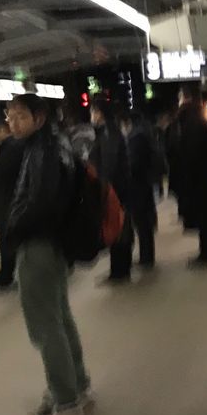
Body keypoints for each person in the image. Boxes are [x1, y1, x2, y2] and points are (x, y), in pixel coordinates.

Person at [5, 94, 91, 415]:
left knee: (44, 324)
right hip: (56, 245)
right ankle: (77, 385)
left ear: (39, 118)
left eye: (20, 116)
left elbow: (40, 204)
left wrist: (13, 226)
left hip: (39, 246)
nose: (12, 122)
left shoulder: (43, 152)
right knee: (60, 317)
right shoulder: (57, 145)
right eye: (9, 115)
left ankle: (65, 399)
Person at [167, 84, 207, 267]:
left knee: (202, 217)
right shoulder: (202, 119)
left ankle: (206, 254)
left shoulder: (185, 121)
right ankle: (206, 251)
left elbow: (182, 151)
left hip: (192, 178)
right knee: (205, 216)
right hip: (203, 177)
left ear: (184, 97)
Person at [90, 99, 134, 283]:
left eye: (92, 111)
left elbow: (109, 165)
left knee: (118, 230)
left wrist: (105, 191)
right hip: (119, 190)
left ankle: (119, 271)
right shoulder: (111, 131)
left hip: (114, 191)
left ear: (99, 113)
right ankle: (120, 269)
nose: (91, 116)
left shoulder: (108, 134)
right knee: (120, 229)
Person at [0, 117, 25, 296]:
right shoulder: (16, 145)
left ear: (1, 129)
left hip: (9, 202)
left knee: (8, 240)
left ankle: (5, 278)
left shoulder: (11, 147)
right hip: (14, 201)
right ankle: (7, 275)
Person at [124, 113, 159, 271]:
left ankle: (146, 258)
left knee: (142, 222)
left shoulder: (135, 138)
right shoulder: (143, 134)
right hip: (144, 184)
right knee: (144, 222)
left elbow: (134, 164)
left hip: (139, 186)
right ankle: (147, 256)